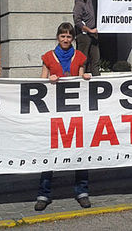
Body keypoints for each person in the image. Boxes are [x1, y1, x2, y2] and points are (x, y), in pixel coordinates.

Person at [35, 22, 92, 211]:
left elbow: (81, 78)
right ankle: (44, 193)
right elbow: (40, 82)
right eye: (63, 36)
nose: (66, 39)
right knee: (49, 151)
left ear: (73, 38)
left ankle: (82, 191)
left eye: (69, 37)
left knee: (80, 151)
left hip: (75, 111)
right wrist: (48, 80)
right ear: (57, 37)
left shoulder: (79, 56)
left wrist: (85, 78)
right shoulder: (49, 57)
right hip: (54, 111)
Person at [73, 0, 103, 76]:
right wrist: (89, 30)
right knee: (83, 60)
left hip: (93, 33)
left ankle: (97, 79)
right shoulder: (78, 5)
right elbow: (77, 21)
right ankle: (81, 79)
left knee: (95, 58)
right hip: (84, 35)